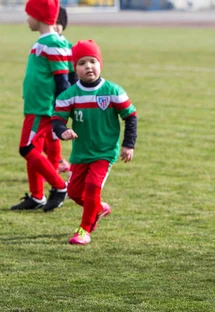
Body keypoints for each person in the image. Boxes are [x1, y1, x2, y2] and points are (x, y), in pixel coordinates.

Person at [52, 39, 138, 245]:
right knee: (73, 192)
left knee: (92, 186)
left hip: (104, 151)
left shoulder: (113, 91)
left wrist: (129, 144)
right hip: (81, 153)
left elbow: (131, 116)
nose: (88, 66)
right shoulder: (70, 95)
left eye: (92, 61)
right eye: (81, 63)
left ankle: (85, 230)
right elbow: (56, 120)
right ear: (75, 68)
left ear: (100, 63)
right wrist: (63, 131)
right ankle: (99, 208)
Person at [12, 0, 70, 211]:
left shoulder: (53, 42)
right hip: (35, 105)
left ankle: (59, 186)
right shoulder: (43, 41)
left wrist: (61, 110)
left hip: (42, 107)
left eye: (29, 14)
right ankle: (37, 196)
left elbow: (62, 78)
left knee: (26, 148)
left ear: (39, 17)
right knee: (33, 148)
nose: (27, 19)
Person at [44, 6, 75, 175]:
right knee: (41, 137)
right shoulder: (44, 44)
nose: (55, 26)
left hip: (59, 99)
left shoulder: (67, 46)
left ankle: (56, 167)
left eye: (59, 23)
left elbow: (73, 75)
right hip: (44, 98)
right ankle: (58, 162)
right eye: (52, 22)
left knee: (53, 134)